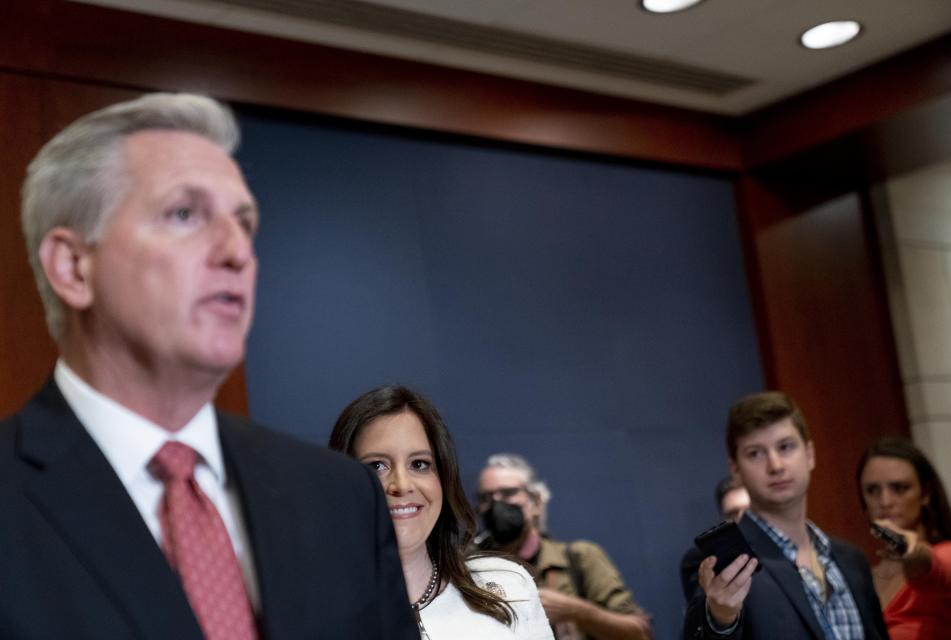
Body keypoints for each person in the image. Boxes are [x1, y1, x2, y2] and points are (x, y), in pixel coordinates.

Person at [0, 93, 417, 639]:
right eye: (184, 214)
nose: (236, 252)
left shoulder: (339, 497)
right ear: (74, 266)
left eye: (244, 223)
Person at [329, 384, 554, 639]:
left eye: (419, 464)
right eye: (377, 466)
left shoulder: (509, 584)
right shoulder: (307, 611)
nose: (402, 485)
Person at [684, 391, 889, 640]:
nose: (776, 465)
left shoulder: (851, 560)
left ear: (810, 454)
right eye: (755, 454)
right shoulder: (725, 562)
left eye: (785, 447)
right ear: (735, 470)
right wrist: (720, 618)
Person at [477, 454, 653, 640]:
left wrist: (576, 611)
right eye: (485, 498)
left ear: (536, 502)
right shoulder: (469, 568)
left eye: (508, 493)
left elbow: (639, 632)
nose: (496, 503)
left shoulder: (580, 557)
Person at [855, 436, 951, 639]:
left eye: (899, 488)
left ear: (925, 493)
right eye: (872, 490)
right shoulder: (862, 579)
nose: (885, 501)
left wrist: (910, 550)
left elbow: (935, 566)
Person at [680, 477, 751, 602]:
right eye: (733, 514)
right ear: (724, 518)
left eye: (749, 511)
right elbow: (701, 612)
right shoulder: (702, 559)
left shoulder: (783, 545)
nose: (742, 519)